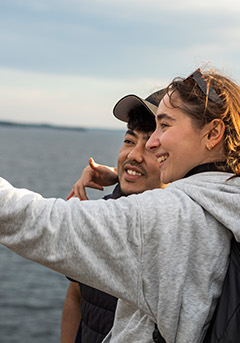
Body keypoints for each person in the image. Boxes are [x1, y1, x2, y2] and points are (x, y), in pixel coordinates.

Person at [0, 69, 240, 343]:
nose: (150, 143)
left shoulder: (171, 218)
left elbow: (36, 221)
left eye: (164, 126)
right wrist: (126, 181)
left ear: (213, 132)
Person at [60, 89, 166, 343]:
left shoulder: (185, 230)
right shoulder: (103, 214)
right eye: (129, 141)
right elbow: (76, 294)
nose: (133, 155)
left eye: (152, 146)